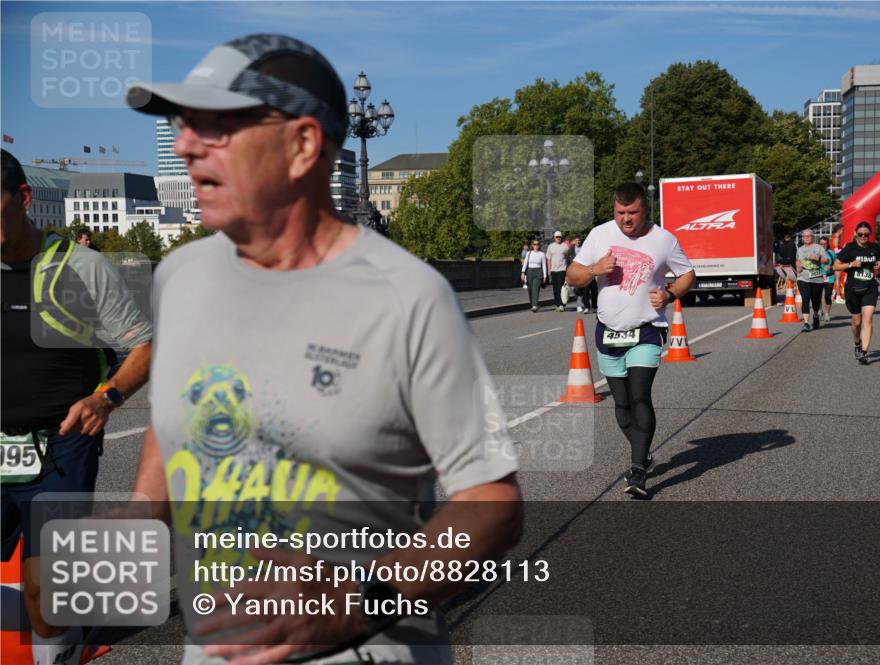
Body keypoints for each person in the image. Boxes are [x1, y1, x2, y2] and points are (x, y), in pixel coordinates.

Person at [125, 34, 522, 664]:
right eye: (183, 125)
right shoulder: (181, 275)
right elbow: (169, 417)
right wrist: (138, 523)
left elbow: (491, 504)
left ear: (303, 145)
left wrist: (357, 606)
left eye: (217, 126)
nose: (184, 145)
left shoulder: (408, 296)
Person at [1, 149, 153, 665]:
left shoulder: (82, 268)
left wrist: (105, 398)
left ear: (23, 198)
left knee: (45, 596)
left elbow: (144, 347)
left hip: (60, 448)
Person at [566, 182, 695, 499]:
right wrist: (595, 268)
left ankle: (638, 470)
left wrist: (669, 294)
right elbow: (573, 275)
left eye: (632, 212)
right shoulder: (600, 235)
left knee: (639, 397)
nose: (626, 219)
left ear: (644, 209)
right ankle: (646, 455)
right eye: (620, 212)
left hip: (647, 330)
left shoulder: (663, 239)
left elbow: (688, 274)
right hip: (608, 331)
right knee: (622, 406)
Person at [832, 222, 880, 365]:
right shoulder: (850, 248)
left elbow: (878, 261)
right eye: (860, 234)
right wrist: (850, 265)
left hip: (870, 287)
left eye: (866, 234)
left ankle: (864, 353)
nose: (863, 237)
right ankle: (857, 343)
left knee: (868, 318)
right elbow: (835, 265)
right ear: (856, 234)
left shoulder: (874, 247)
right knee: (856, 322)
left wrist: (879, 265)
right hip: (853, 289)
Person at [795, 229, 829, 331]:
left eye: (809, 236)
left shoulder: (818, 248)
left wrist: (817, 259)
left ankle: (815, 315)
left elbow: (827, 260)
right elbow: (797, 260)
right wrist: (798, 266)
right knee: (805, 299)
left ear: (812, 237)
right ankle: (806, 322)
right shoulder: (800, 249)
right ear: (802, 238)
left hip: (816, 278)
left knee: (815, 300)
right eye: (805, 236)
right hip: (803, 277)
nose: (806, 238)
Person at [546, 230, 571, 311]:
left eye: (559, 237)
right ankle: (557, 304)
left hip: (562, 270)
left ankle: (561, 304)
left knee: (561, 287)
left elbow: (568, 258)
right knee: (555, 288)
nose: (558, 238)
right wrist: (549, 269)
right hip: (553, 270)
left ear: (561, 237)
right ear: (554, 238)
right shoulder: (550, 246)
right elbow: (549, 259)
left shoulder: (565, 246)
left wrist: (568, 269)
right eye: (557, 237)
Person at [522, 238, 547, 312]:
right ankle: (533, 303)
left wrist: (545, 276)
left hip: (538, 271)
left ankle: (534, 305)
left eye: (537, 244)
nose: (536, 246)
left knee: (535, 288)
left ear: (539, 246)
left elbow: (544, 266)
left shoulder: (542, 254)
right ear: (532, 245)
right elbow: (525, 263)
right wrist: (522, 272)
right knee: (530, 289)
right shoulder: (529, 253)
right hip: (530, 271)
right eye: (534, 244)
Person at [818, 236, 836, 321]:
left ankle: (827, 314)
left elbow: (836, 265)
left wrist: (831, 267)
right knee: (817, 296)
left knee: (827, 296)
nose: (823, 245)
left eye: (825, 244)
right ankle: (819, 310)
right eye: (821, 244)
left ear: (827, 244)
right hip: (818, 277)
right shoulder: (815, 253)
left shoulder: (831, 253)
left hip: (830, 277)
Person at [829, 223, 846, 304]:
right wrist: (844, 249)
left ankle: (834, 295)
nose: (843, 231)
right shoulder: (836, 236)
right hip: (836, 260)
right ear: (839, 230)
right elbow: (836, 250)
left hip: (834, 259)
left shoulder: (834, 236)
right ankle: (838, 297)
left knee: (836, 278)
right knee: (838, 278)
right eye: (843, 230)